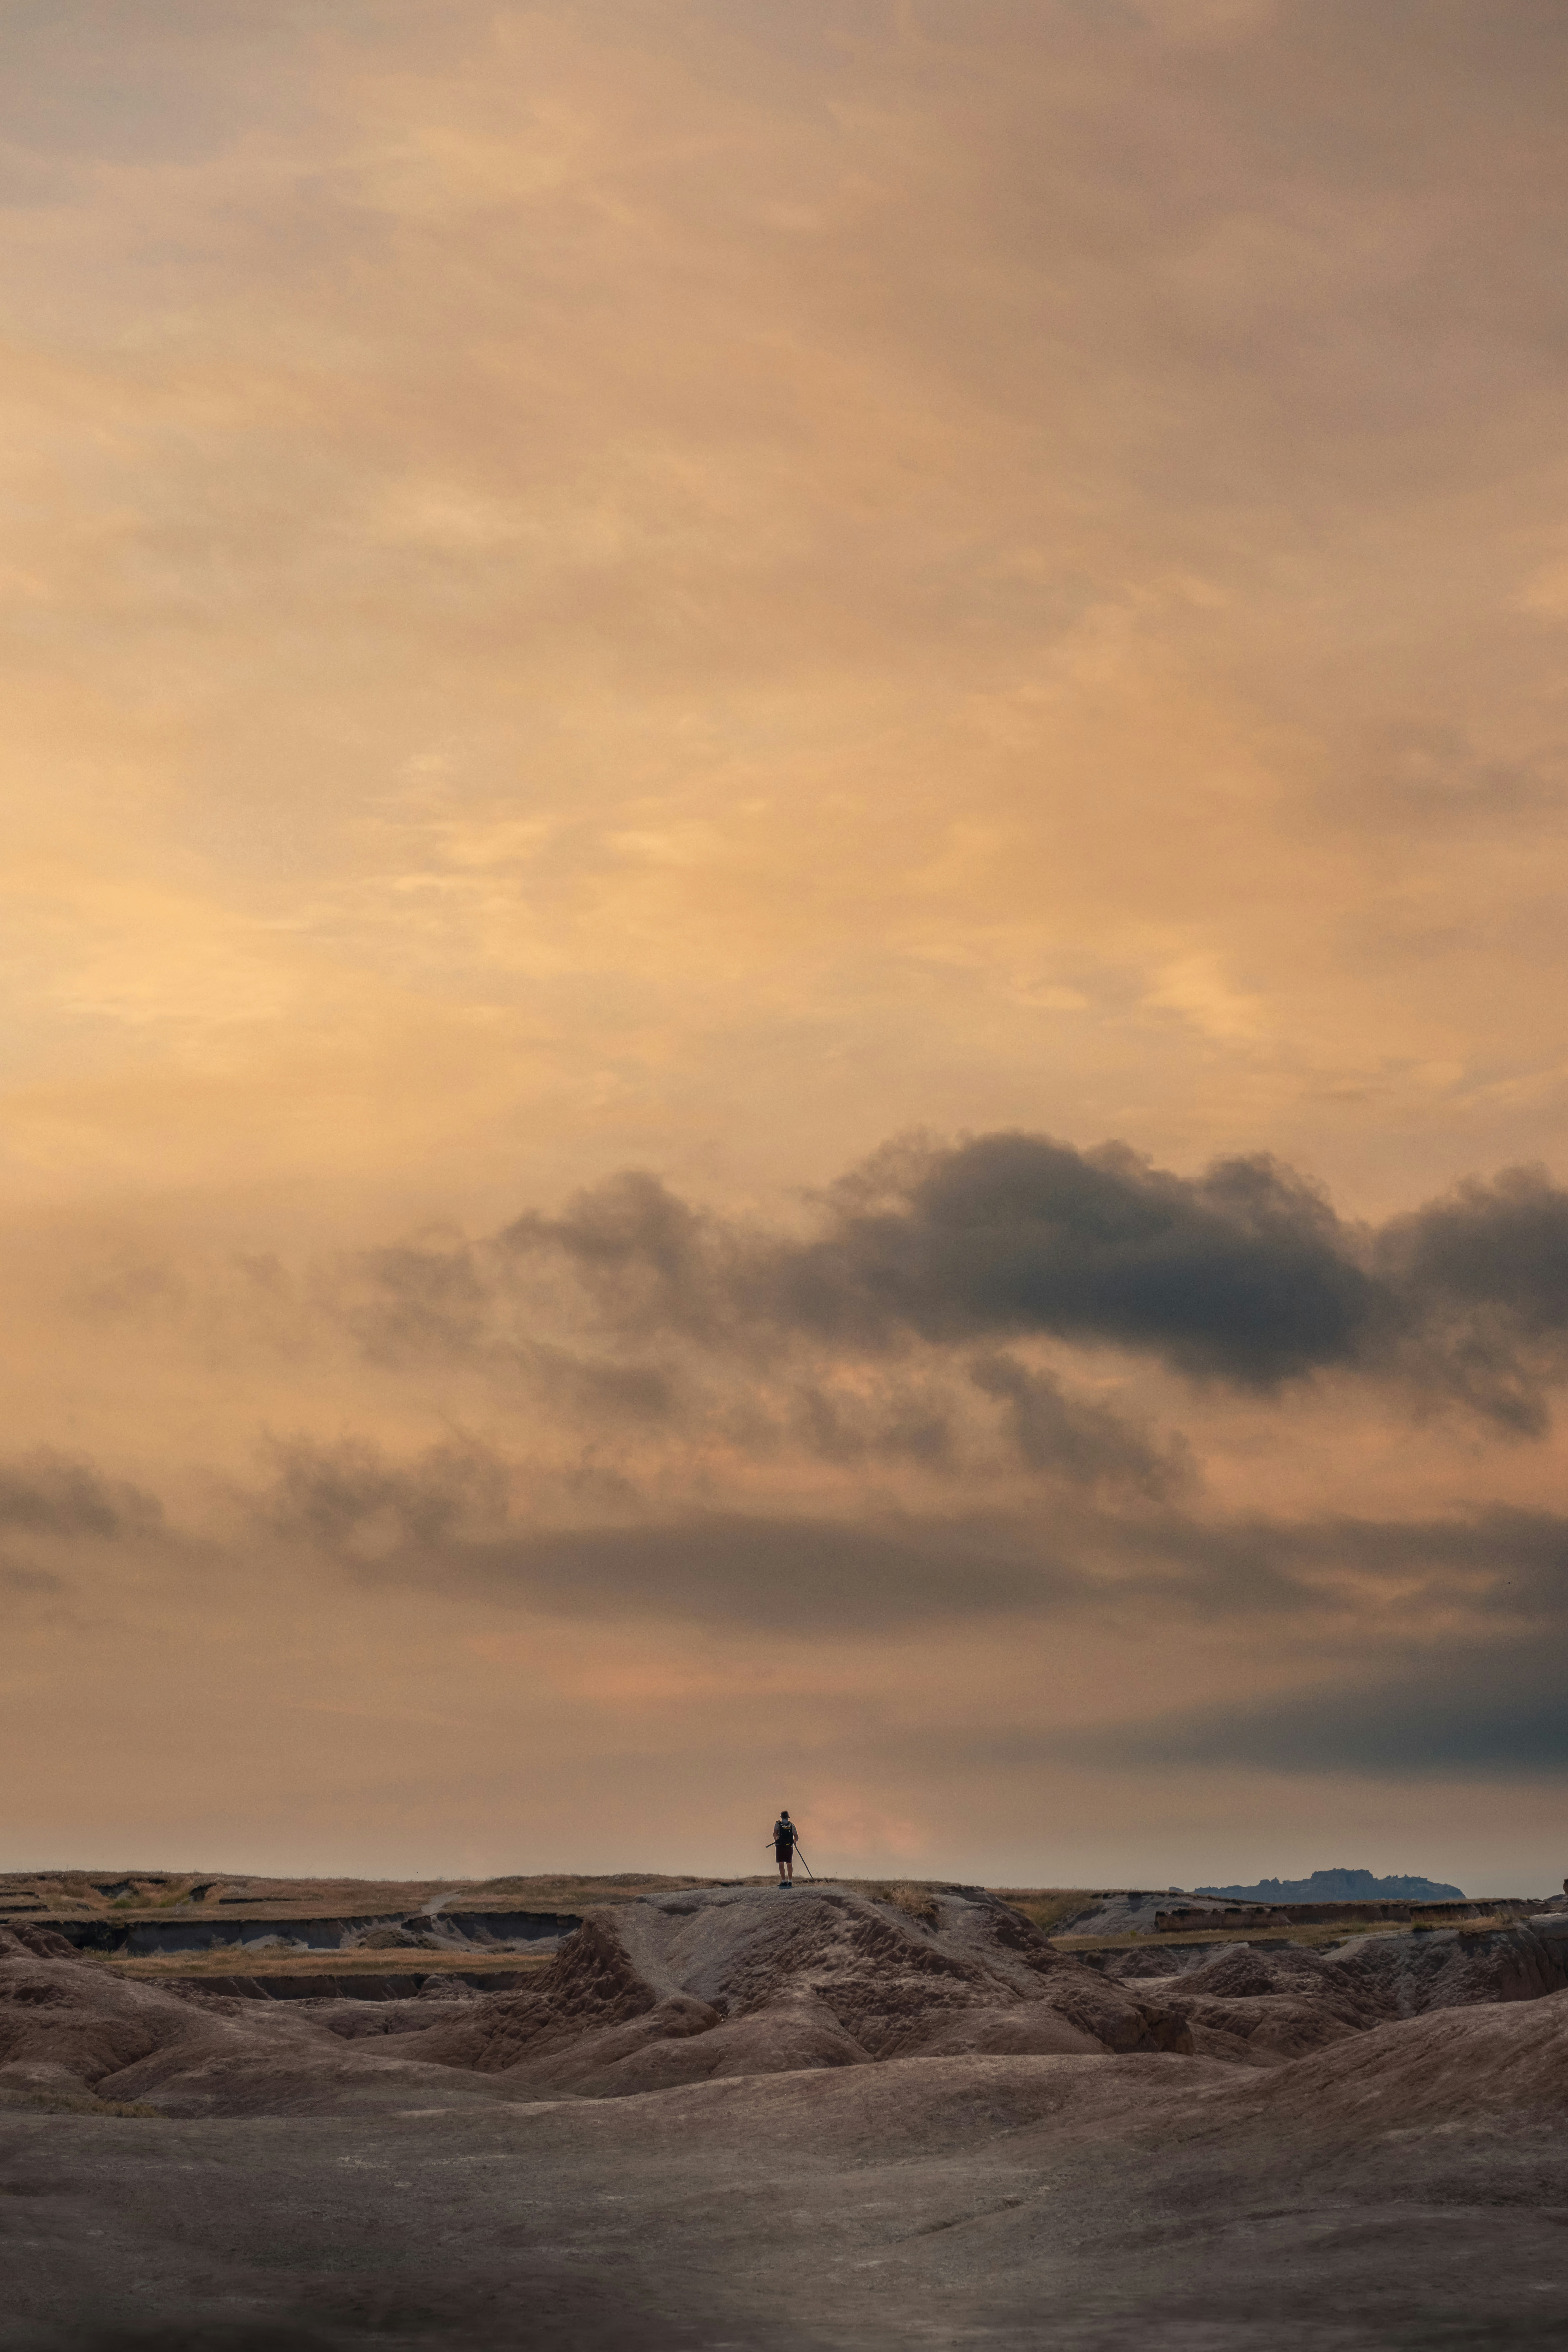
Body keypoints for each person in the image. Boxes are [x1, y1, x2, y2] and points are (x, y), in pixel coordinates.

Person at [771, 1810, 798, 1885]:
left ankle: (784, 1882)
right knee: (789, 1864)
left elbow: (775, 1833)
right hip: (790, 1847)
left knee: (781, 1864)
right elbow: (796, 1837)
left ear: (781, 1817)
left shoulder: (778, 1824)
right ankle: (790, 1882)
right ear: (788, 1817)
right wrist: (795, 1841)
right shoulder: (792, 1825)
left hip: (780, 1846)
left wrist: (777, 1839)